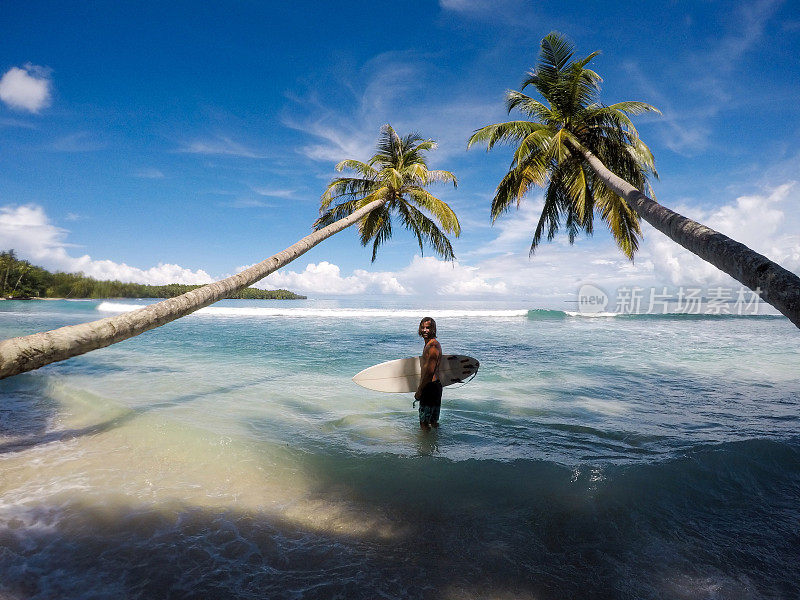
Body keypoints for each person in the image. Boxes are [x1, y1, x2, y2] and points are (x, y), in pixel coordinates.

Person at [414, 316, 442, 430]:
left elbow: (430, 372)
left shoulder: (433, 346)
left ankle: (425, 447)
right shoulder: (429, 344)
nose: (425, 330)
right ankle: (435, 444)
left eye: (428, 328)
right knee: (433, 421)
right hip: (434, 386)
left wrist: (420, 390)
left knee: (424, 423)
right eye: (423, 327)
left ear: (433, 329)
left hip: (430, 387)